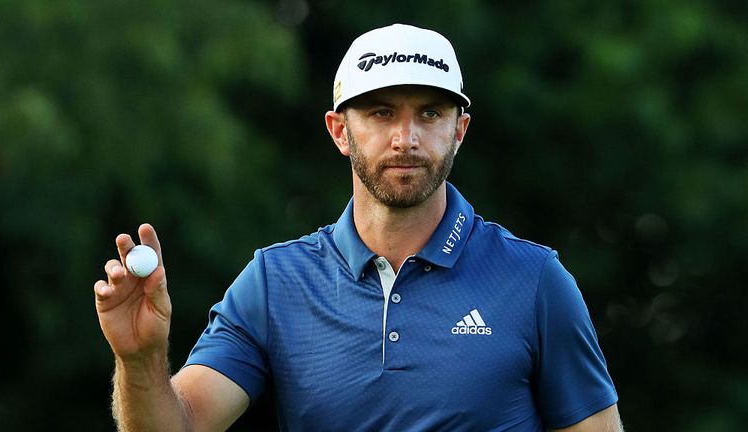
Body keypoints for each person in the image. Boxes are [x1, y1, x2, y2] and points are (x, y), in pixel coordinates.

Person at [94, 23, 623, 431]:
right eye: (381, 113)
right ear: (339, 131)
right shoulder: (275, 283)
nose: (406, 138)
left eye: (431, 113)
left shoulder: (534, 280)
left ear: (459, 130)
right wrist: (138, 361)